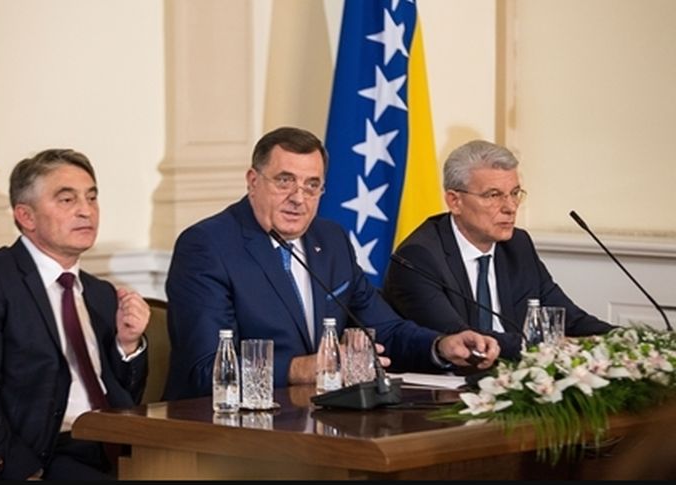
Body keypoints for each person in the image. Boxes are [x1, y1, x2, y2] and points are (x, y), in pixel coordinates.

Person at [162, 127, 500, 401]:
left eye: (312, 186)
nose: (298, 198)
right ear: (253, 181)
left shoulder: (331, 239)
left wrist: (441, 346)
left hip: (321, 418)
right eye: (284, 181)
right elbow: (206, 369)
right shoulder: (208, 246)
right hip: (226, 428)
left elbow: (384, 329)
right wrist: (302, 368)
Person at [0, 149, 151, 480]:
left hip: (118, 448)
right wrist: (27, 471)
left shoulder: (100, 294)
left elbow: (126, 399)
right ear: (26, 216)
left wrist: (128, 345)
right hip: (42, 454)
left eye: (92, 198)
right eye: (67, 200)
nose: (86, 210)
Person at [382, 139, 614, 360]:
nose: (510, 207)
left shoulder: (517, 245)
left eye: (514, 193)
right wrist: (550, 345)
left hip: (516, 371)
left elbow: (570, 318)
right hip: (451, 381)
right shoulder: (418, 258)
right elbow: (463, 339)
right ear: (454, 201)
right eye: (493, 195)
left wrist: (622, 339)